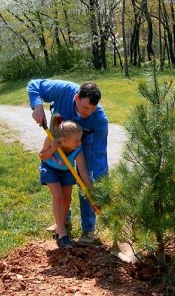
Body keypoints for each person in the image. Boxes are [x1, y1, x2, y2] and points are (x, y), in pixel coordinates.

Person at [27, 79, 109, 246]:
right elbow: (34, 85)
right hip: (58, 138)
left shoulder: (99, 120)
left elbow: (99, 157)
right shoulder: (63, 90)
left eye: (93, 109)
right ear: (77, 97)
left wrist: (98, 193)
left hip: (82, 140)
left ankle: (88, 229)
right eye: (86, 108)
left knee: (85, 177)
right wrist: (37, 106)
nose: (89, 113)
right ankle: (62, 220)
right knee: (62, 187)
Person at [39, 114, 91, 248]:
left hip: (67, 171)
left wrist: (91, 190)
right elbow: (42, 156)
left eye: (80, 139)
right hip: (50, 169)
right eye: (77, 141)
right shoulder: (50, 140)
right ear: (63, 140)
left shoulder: (78, 149)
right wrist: (53, 149)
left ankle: (59, 224)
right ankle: (62, 233)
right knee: (58, 197)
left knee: (67, 199)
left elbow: (83, 172)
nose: (80, 143)